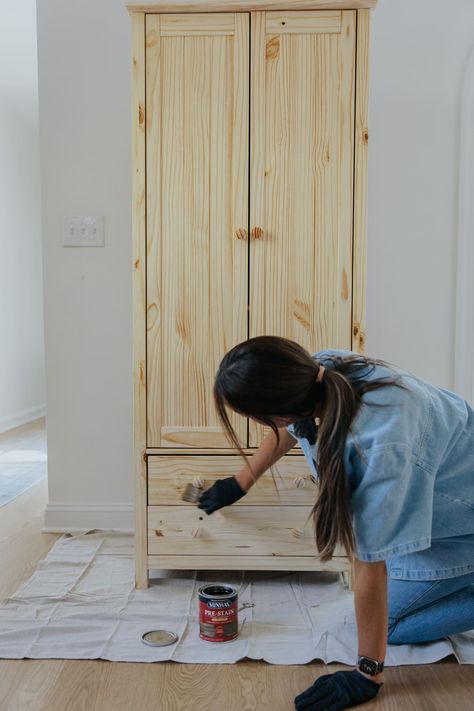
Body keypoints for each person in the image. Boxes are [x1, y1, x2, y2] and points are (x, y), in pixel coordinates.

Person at [198, 335, 474, 710]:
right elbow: (288, 429)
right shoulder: (321, 371)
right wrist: (241, 480)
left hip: (463, 524)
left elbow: (370, 564)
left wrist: (367, 673)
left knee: (390, 627)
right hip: (445, 492)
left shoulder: (381, 450)